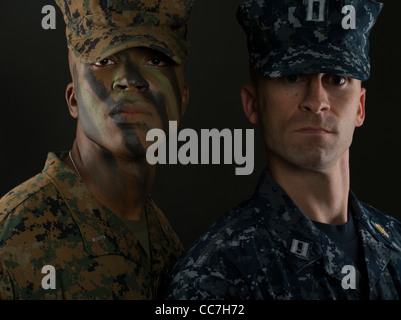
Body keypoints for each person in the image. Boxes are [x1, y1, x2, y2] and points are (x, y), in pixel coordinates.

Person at [165, 0, 401, 300]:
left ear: (360, 107)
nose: (316, 101)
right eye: (292, 77)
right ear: (253, 104)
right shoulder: (215, 273)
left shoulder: (395, 246)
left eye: (337, 79)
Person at [0, 0, 193, 300]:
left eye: (155, 60)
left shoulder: (169, 246)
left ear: (181, 101)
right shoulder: (12, 240)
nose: (130, 80)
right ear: (73, 98)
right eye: (104, 61)